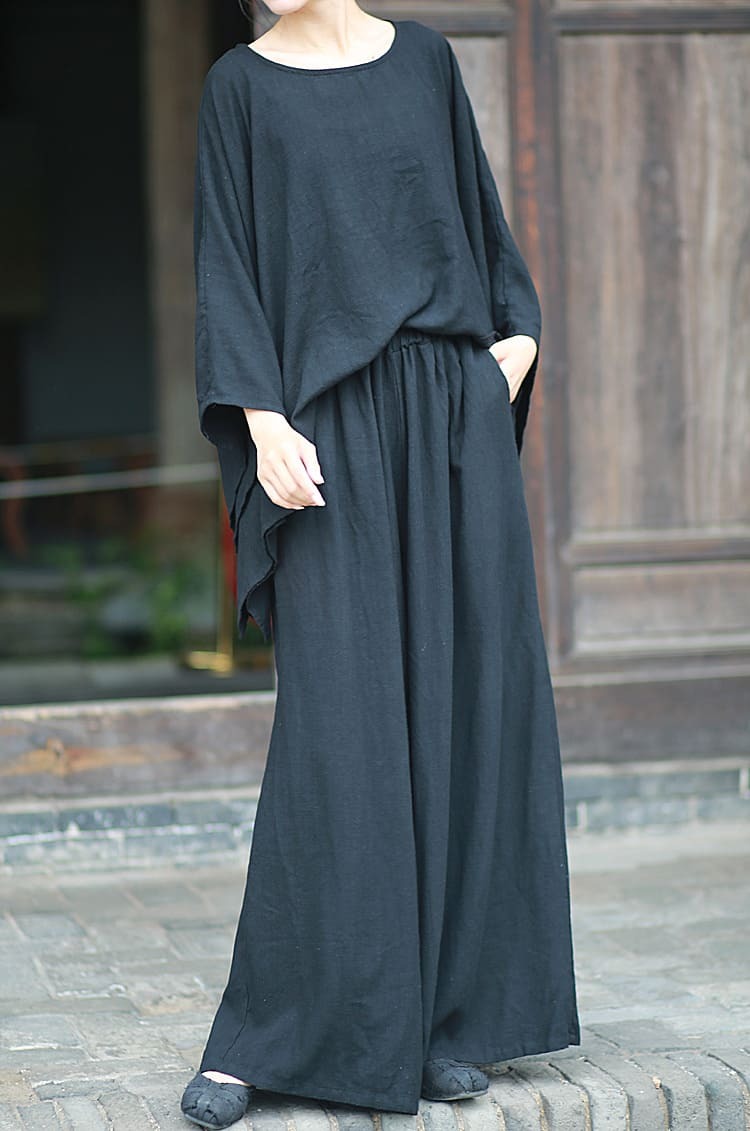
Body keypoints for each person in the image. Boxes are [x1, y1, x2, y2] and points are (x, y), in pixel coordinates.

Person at [180, 2, 581, 1127]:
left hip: (451, 417)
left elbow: (481, 227)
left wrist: (512, 348)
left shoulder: (426, 63)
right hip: (326, 434)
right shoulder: (240, 89)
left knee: (464, 709)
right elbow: (227, 264)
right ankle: (263, 1038)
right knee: (337, 730)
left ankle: (444, 1024)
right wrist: (262, 419)